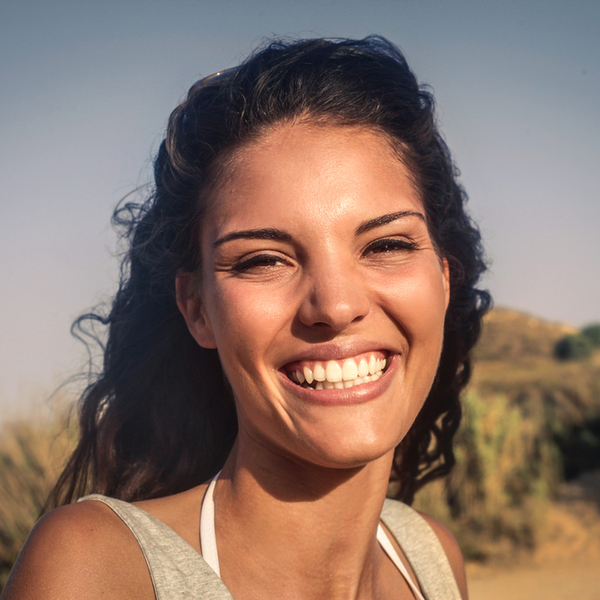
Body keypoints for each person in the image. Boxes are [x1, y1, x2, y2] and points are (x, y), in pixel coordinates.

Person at [2, 36, 489, 600]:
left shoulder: (431, 558)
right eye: (264, 260)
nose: (334, 306)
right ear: (198, 309)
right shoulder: (99, 569)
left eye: (385, 246)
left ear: (444, 278)